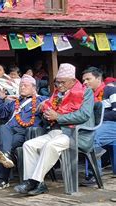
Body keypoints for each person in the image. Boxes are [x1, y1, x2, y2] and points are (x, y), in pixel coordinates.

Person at [15, 63, 95, 195]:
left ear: (73, 81)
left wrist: (58, 116)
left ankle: (33, 182)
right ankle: (38, 184)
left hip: (76, 134)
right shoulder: (58, 94)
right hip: (57, 131)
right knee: (28, 145)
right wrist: (47, 113)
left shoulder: (86, 93)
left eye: (62, 82)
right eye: (57, 82)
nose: (59, 86)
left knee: (50, 145)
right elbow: (51, 113)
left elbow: (84, 115)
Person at [0, 74, 47, 189]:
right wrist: (1, 99)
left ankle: (2, 179)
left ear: (34, 88)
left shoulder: (41, 100)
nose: (22, 87)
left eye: (25, 85)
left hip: (25, 133)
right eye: (21, 85)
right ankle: (5, 156)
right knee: (2, 128)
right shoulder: (15, 102)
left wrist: (46, 104)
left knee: (5, 146)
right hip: (9, 132)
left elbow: (51, 107)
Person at [81, 67, 116, 186]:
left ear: (98, 78)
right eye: (83, 80)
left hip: (111, 124)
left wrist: (97, 119)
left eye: (88, 79)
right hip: (97, 126)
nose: (85, 82)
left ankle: (94, 175)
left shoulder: (111, 91)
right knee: (84, 134)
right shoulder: (86, 95)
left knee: (92, 136)